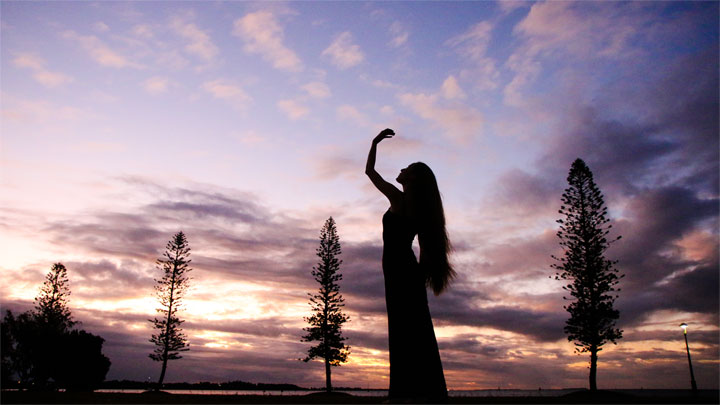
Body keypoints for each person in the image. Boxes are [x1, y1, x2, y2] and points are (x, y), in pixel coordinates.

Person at [365, 128, 455, 402]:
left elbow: (370, 172)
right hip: (406, 269)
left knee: (405, 330)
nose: (402, 168)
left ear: (414, 179)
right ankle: (423, 391)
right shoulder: (422, 209)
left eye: (409, 168)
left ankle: (407, 392)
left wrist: (374, 142)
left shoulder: (399, 198)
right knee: (415, 329)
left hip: (398, 270)